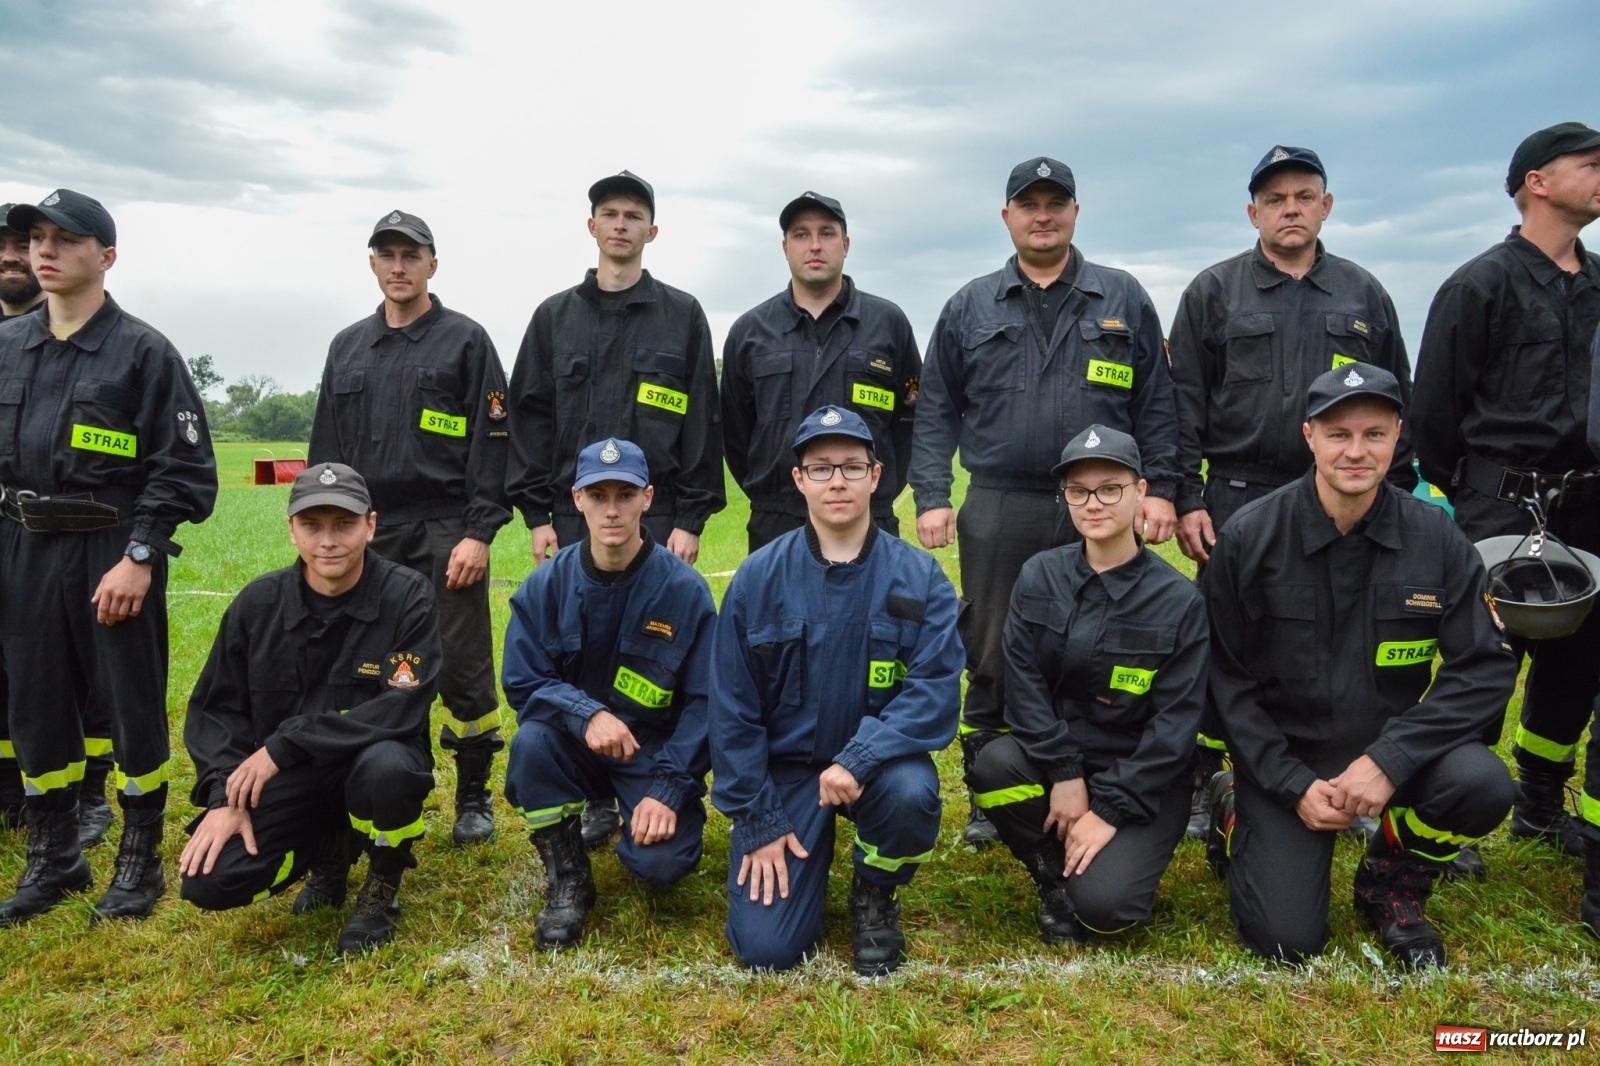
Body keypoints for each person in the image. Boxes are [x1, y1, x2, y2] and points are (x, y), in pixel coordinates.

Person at [1205, 363, 1517, 968]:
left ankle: (1391, 884)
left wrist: (1388, 760)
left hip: (1391, 751)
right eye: (1338, 434)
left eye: (1374, 434)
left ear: (1398, 435)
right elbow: (1224, 679)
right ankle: (1233, 805)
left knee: (1482, 782)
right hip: (1285, 758)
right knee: (1285, 941)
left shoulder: (1438, 539)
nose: (1356, 451)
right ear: (1309, 437)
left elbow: (1483, 667)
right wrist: (1290, 783)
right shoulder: (1250, 537)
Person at [910, 156, 1180, 846]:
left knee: (1104, 639)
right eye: (1028, 204)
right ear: (1007, 217)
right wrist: (935, 496)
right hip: (1002, 502)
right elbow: (936, 407)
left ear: (1075, 213)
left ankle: (1105, 771)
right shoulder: (970, 306)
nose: (1043, 214)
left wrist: (1165, 490)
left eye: (1056, 202)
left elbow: (1157, 405)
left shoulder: (1121, 298)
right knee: (996, 643)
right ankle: (990, 790)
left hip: (1102, 501)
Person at [1167, 146, 1418, 843]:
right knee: (1228, 635)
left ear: (1325, 206)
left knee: (1342, 633)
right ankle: (1208, 773)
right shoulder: (1214, 292)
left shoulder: (1364, 294)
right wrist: (1188, 496)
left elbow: (1398, 398)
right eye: (1275, 199)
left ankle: (1343, 771)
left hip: (1345, 494)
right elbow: (1181, 401)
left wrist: (1398, 499)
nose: (1289, 208)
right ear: (1253, 212)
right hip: (1242, 494)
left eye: (1303, 196)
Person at [0, 190, 217, 926]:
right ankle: (55, 857)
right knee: (33, 704)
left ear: (107, 255)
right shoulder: (7, 346)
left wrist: (140, 554)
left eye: (65, 239)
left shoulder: (144, 352)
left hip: (108, 549)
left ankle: (138, 860)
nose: (45, 251)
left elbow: (185, 471)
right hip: (22, 548)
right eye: (37, 238)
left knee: (128, 707)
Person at [507, 170, 724, 848]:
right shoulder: (553, 318)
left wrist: (689, 518)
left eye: (634, 215)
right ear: (592, 227)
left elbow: (701, 422)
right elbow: (529, 420)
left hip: (654, 515)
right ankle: (590, 784)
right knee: (579, 653)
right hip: (576, 516)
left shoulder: (682, 315)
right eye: (610, 213)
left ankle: (638, 771)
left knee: (654, 653)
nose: (622, 224)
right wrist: (539, 515)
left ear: (652, 231)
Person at [712, 405, 963, 976]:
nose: (838, 481)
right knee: (767, 952)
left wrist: (860, 756)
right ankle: (800, 853)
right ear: (798, 481)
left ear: (876, 477)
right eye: (821, 468)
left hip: (874, 770)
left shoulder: (920, 579)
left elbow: (933, 692)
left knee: (911, 794)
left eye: (852, 466)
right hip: (787, 775)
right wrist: (759, 818)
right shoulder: (757, 578)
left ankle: (875, 890)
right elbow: (732, 709)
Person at [1412, 122, 1600, 875]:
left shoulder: (1598, 287)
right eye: (1589, 164)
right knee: (1483, 664)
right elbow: (1434, 414)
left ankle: (1541, 801)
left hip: (1589, 506)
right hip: (1499, 506)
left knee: (1578, 666)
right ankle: (1453, 814)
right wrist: (1478, 495)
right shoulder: (1478, 285)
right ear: (1536, 182)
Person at [308, 210, 511, 847]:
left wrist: (479, 532)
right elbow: (326, 454)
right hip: (370, 532)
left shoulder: (466, 342)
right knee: (383, 665)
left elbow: (494, 444)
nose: (399, 266)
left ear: (432, 264)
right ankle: (404, 778)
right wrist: (330, 532)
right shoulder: (347, 347)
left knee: (462, 665)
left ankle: (473, 793)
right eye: (387, 255)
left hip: (447, 529)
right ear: (372, 263)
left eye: (411, 255)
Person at [178, 463, 438, 955]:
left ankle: (382, 881)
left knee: (388, 769)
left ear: (371, 525)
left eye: (343, 524)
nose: (328, 541)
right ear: (291, 529)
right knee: (209, 881)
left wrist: (288, 743)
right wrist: (221, 799)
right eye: (312, 526)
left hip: (369, 765)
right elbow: (216, 711)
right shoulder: (257, 604)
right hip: (292, 777)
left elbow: (401, 707)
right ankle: (329, 852)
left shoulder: (407, 597)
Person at [968, 425, 1207, 944]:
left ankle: (1090, 871)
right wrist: (1065, 772)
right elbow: (1023, 683)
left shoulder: (1179, 602)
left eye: (1110, 488)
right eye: (1078, 491)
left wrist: (1109, 808)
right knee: (993, 765)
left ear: (1141, 491)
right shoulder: (1039, 575)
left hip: (1142, 775)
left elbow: (1175, 727)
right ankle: (1054, 874)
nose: (1093, 503)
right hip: (1065, 759)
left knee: (1106, 910)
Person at [501, 437, 715, 951]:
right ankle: (567, 871)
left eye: (625, 495)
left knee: (661, 867)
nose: (612, 510)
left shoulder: (685, 591)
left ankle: (639, 810)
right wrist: (585, 713)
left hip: (652, 752)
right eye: (599, 496)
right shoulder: (545, 586)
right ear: (577, 500)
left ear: (648, 497)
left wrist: (668, 790)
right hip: (575, 744)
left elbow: (707, 704)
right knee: (531, 745)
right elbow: (522, 681)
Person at [721, 191, 921, 551]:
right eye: (801, 235)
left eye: (826, 233)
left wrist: (872, 487)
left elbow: (910, 423)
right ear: (785, 247)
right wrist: (774, 486)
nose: (814, 245)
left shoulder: (888, 324)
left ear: (845, 244)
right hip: (776, 521)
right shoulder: (749, 332)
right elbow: (735, 433)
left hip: (869, 518)